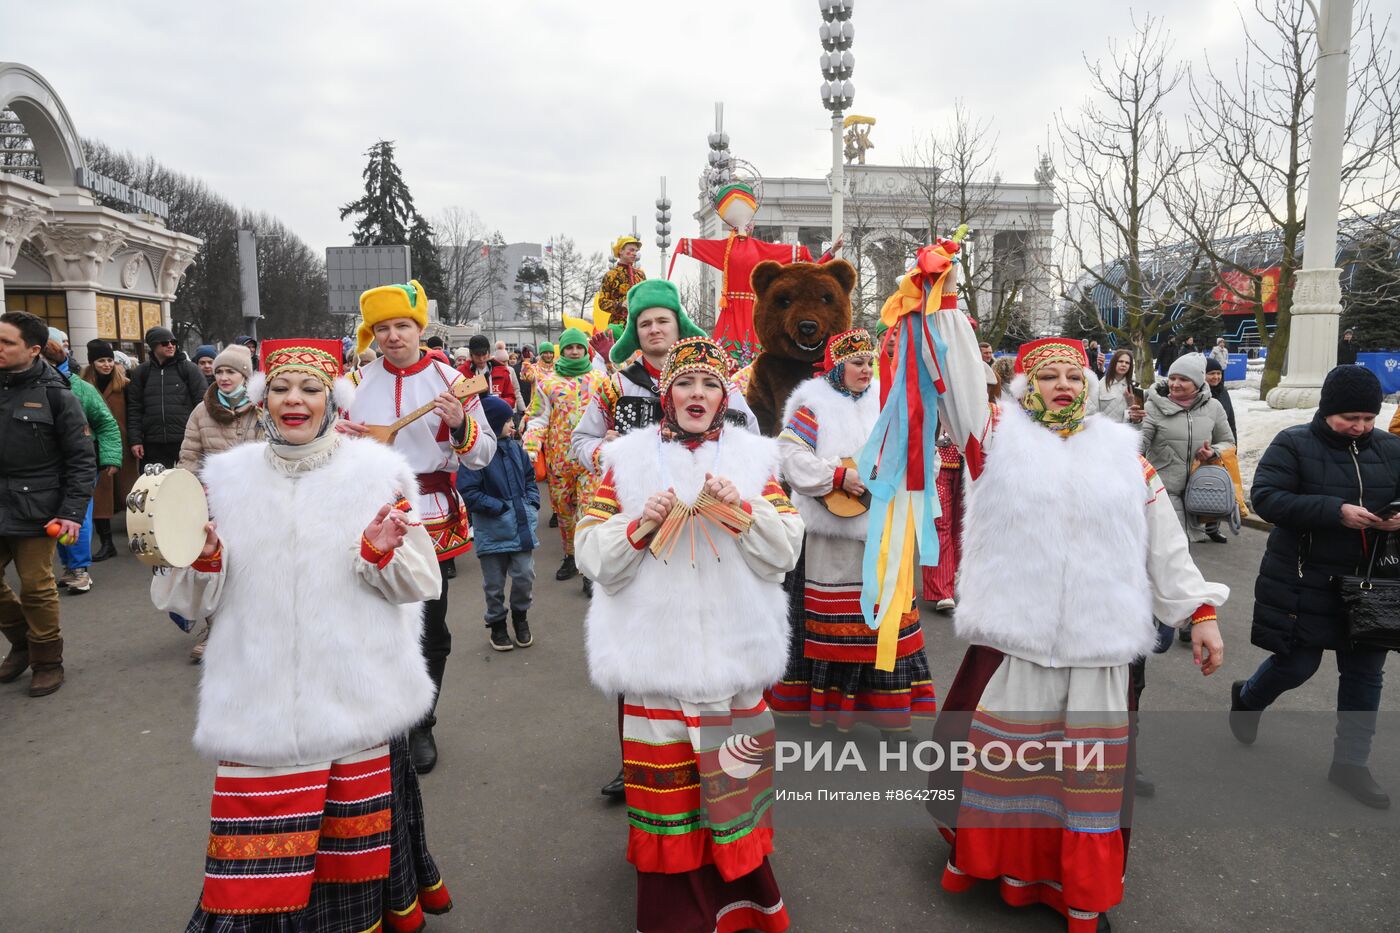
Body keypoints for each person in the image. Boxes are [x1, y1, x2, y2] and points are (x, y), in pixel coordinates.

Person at [922, 324, 1227, 932]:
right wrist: (943, 301)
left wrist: (1200, 614)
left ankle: (1079, 888)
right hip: (1020, 641)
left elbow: (1164, 544)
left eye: (1073, 376)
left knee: (1085, 778)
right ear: (1022, 385)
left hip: (1099, 643)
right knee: (1015, 766)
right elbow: (953, 379)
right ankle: (1005, 868)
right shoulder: (992, 444)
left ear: (1089, 386)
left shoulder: (1125, 457)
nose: (1062, 385)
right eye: (1046, 375)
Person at [151, 338, 455, 931]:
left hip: (357, 700)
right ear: (264, 401)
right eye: (283, 388)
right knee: (252, 880)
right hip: (257, 703)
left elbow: (420, 583)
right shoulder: (224, 479)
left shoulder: (378, 474)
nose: (296, 400)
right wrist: (204, 557)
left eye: (311, 389)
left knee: (352, 875)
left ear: (332, 402)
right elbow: (183, 599)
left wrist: (379, 550)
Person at [575, 335, 803, 933]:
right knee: (669, 797)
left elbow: (784, 553)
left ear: (724, 393)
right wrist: (639, 524)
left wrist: (746, 512)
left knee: (731, 791)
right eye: (684, 383)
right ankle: (675, 916)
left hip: (735, 652)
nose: (696, 394)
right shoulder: (624, 460)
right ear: (665, 391)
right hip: (657, 657)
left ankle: (746, 905)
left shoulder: (756, 460)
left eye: (708, 384)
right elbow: (591, 554)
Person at [342, 279, 497, 775]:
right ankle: (383, 719)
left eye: (402, 326)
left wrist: (459, 426)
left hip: (429, 514)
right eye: (382, 329)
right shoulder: (357, 385)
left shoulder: (452, 381)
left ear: (419, 328)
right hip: (366, 513)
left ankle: (422, 722)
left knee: (430, 624)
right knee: (372, 621)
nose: (392, 336)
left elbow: (482, 454)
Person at [1233, 365, 1399, 809]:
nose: (1361, 427)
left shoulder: (1390, 448)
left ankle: (1350, 763)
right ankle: (1248, 699)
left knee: (1365, 676)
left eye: (1368, 417)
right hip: (1307, 578)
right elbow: (1266, 498)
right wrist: (1334, 511)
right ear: (1327, 410)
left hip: (1372, 583)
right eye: (1351, 418)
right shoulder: (1293, 443)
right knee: (1297, 665)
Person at [767, 328, 938, 731]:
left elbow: (917, 449)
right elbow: (790, 456)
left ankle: (886, 710)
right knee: (831, 622)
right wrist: (839, 476)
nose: (865, 369)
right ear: (837, 367)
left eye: (868, 362)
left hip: (884, 528)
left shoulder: (887, 401)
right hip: (833, 534)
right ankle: (826, 708)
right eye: (856, 362)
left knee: (885, 618)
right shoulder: (813, 407)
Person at [572, 279, 759, 476]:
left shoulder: (716, 383)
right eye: (645, 324)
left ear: (679, 325)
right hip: (637, 500)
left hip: (709, 499)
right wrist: (605, 452)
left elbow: (753, 440)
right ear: (635, 333)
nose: (654, 329)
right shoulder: (616, 386)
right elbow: (582, 438)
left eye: (662, 321)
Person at [0, 311, 96, 696]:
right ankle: (23, 642)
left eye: (7, 343)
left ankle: (46, 661)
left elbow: (81, 458)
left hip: (38, 507)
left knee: (36, 586)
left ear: (34, 350)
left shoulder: (58, 396)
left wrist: (71, 512)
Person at [176, 343, 263, 662]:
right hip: (212, 501)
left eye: (232, 371)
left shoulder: (262, 409)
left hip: (255, 502)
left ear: (245, 375)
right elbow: (189, 455)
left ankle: (254, 630)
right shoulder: (201, 411)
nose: (224, 376)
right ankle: (216, 631)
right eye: (220, 370)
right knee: (214, 568)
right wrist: (189, 491)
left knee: (251, 569)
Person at [523, 328, 606, 589]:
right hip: (559, 461)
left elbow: (612, 410)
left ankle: (587, 570)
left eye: (579, 347)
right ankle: (570, 555)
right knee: (564, 512)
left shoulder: (599, 379)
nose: (574, 351)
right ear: (563, 350)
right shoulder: (548, 382)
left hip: (590, 459)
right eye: (569, 347)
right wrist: (531, 446)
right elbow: (538, 417)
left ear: (585, 350)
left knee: (587, 511)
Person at [40, 340, 121, 596]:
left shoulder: (81, 388)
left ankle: (80, 570)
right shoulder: (26, 387)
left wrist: (110, 457)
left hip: (81, 462)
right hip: (45, 466)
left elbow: (106, 423)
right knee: (56, 516)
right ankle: (70, 566)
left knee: (77, 515)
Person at [459, 396, 538, 652]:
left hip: (521, 526)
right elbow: (468, 491)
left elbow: (529, 479)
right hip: (492, 531)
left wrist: (532, 503)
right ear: (492, 424)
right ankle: (497, 624)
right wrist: (499, 508)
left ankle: (520, 616)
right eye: (506, 421)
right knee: (493, 584)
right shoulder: (475, 456)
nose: (512, 425)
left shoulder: (516, 449)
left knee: (525, 575)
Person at [1140, 353, 1236, 548]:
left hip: (1199, 491)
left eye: (1183, 379)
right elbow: (1137, 446)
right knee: (1169, 549)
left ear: (1198, 382)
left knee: (1185, 554)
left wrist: (1214, 452)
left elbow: (1228, 442)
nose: (1175, 384)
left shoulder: (1214, 407)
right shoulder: (1154, 406)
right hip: (1163, 490)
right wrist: (1133, 423)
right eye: (1172, 378)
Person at [80, 340, 138, 562]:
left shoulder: (125, 384)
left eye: (109, 360)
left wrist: (135, 440)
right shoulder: (83, 384)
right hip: (94, 447)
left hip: (123, 445)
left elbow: (134, 414)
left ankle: (138, 538)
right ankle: (107, 543)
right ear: (92, 362)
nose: (106, 365)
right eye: (101, 360)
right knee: (101, 495)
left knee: (130, 494)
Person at [127, 325, 208, 470]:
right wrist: (135, 440)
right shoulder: (141, 372)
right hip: (152, 443)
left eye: (173, 342)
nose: (170, 346)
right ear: (153, 346)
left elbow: (203, 405)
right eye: (164, 343)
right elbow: (134, 408)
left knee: (186, 484)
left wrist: (202, 437)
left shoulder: (189, 369)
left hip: (186, 441)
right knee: (155, 486)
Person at [596, 235, 648, 327]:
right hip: (618, 326)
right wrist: (620, 305)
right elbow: (602, 302)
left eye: (636, 251)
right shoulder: (611, 275)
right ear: (621, 251)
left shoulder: (641, 274)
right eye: (631, 250)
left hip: (639, 325)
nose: (635, 253)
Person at [1097, 349, 1145, 425]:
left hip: (1124, 433)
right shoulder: (1100, 384)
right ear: (1114, 363)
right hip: (1102, 432)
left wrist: (1131, 405)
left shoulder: (1134, 388)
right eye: (1120, 361)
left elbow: (1137, 424)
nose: (1124, 364)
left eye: (1127, 363)